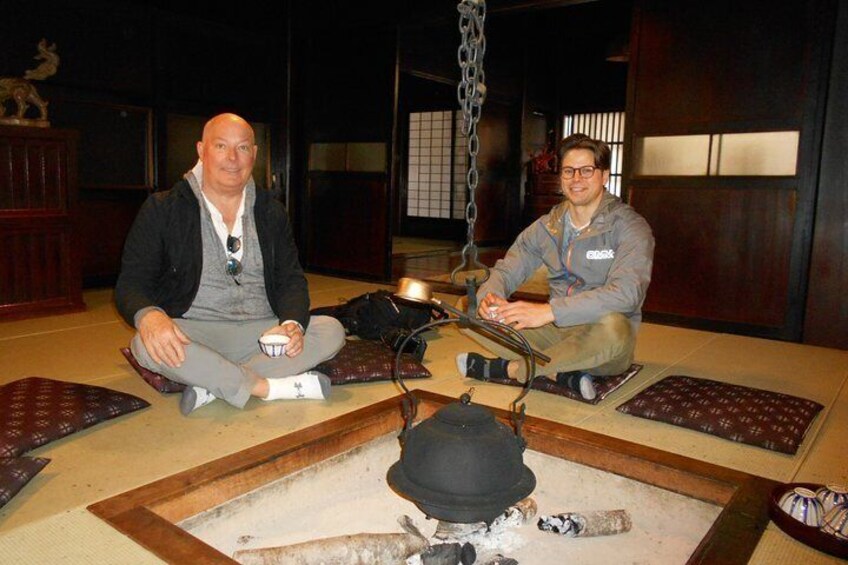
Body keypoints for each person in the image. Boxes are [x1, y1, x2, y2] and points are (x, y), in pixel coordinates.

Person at [115, 113, 345, 415]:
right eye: (221, 146)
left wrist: (290, 325)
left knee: (330, 329)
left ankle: (212, 383)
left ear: (255, 153)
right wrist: (150, 317)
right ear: (201, 150)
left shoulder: (270, 211)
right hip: (194, 332)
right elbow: (131, 283)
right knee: (144, 344)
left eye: (243, 148)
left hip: (262, 333)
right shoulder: (163, 208)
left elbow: (290, 278)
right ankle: (267, 387)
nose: (233, 158)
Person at [456, 133, 654, 399]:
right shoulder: (548, 226)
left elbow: (627, 294)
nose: (576, 179)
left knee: (614, 329)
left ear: (604, 176)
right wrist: (488, 298)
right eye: (569, 171)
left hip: (600, 334)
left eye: (586, 170)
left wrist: (550, 311)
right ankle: (559, 371)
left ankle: (512, 369)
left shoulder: (629, 227)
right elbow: (507, 270)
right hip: (554, 333)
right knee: (465, 309)